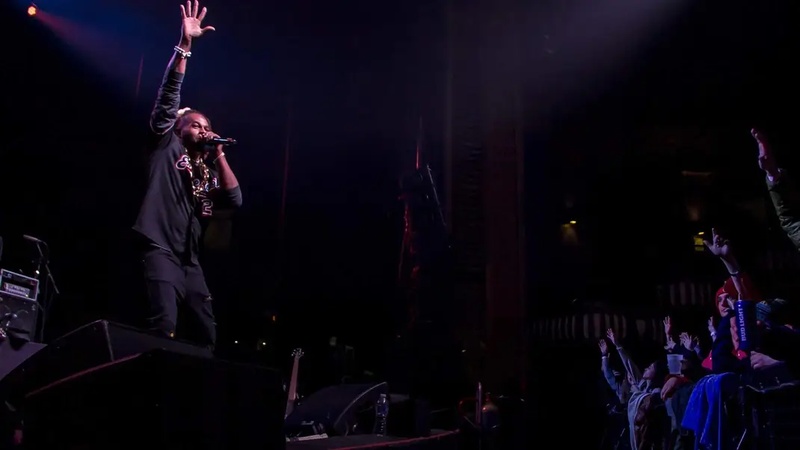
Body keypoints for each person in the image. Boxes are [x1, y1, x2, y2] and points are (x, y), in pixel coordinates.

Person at [132, 0, 242, 349]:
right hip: (159, 248)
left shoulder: (206, 168)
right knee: (164, 326)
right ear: (179, 128)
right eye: (195, 124)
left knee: (207, 333)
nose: (203, 129)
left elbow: (234, 200)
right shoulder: (166, 144)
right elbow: (168, 95)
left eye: (207, 126)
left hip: (189, 260)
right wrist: (185, 46)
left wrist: (220, 154)